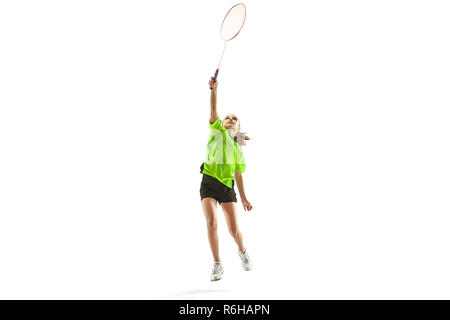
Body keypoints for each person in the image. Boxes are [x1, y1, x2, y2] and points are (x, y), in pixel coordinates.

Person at [199, 76, 254, 281]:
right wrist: (214, 90)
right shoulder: (217, 132)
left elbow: (238, 176)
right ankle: (217, 264)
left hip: (226, 187)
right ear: (222, 123)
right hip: (208, 182)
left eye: (234, 118)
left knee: (233, 230)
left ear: (238, 128)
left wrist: (245, 198)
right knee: (212, 222)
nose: (229, 119)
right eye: (227, 117)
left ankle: (242, 251)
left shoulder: (239, 150)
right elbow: (213, 110)